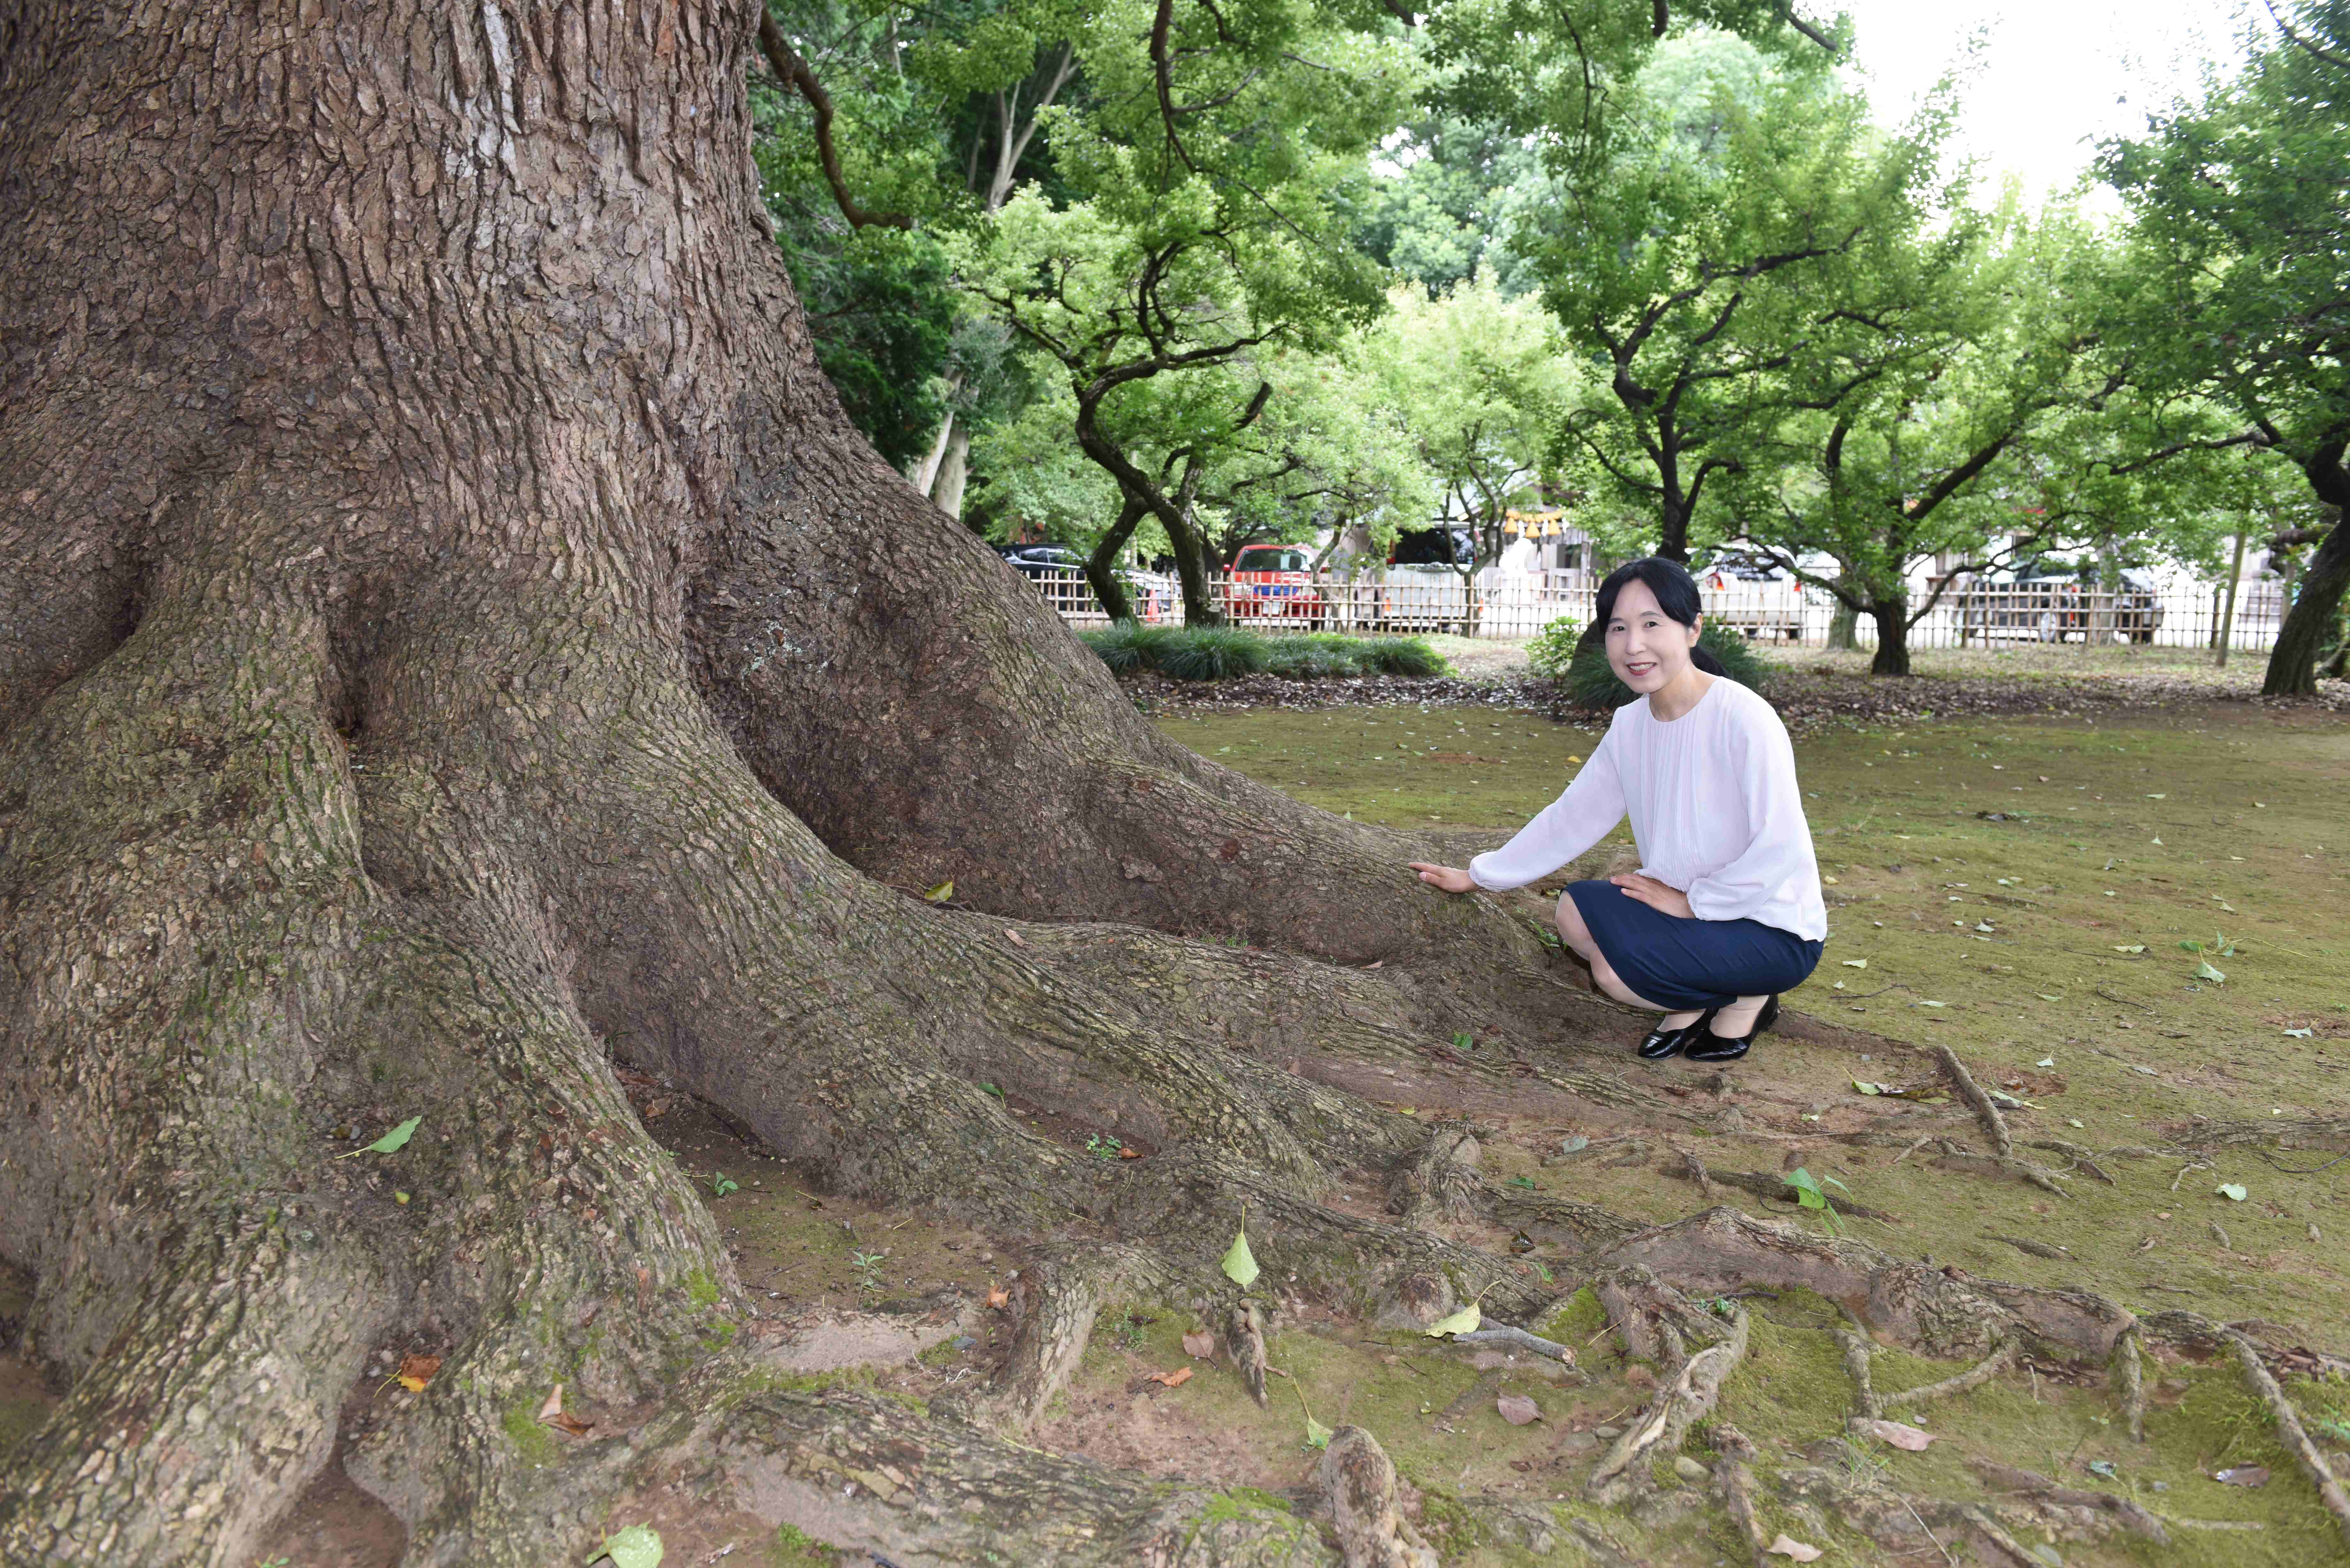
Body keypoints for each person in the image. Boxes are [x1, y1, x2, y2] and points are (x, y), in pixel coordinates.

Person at [1408, 558, 1825, 1061]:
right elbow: (1573, 816)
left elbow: (1783, 844)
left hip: (1770, 927)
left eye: (1653, 624)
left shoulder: (1744, 718)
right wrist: (1479, 876)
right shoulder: (1630, 726)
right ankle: (1696, 1002)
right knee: (1574, 911)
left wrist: (1697, 903)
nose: (1634, 646)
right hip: (1685, 910)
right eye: (1619, 628)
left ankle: (1749, 999)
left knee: (1612, 973)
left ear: (1693, 629)